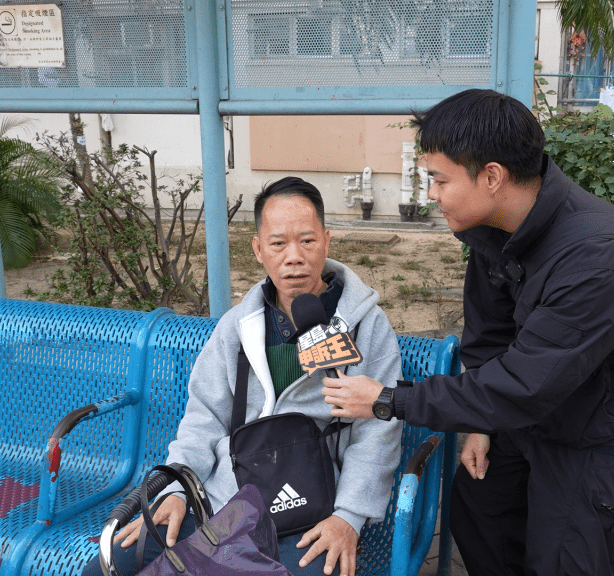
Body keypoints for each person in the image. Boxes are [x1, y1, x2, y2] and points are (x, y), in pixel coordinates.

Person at [321, 89, 614, 576]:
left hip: (607, 424)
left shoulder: (601, 261)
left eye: (438, 179)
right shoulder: (493, 226)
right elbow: (490, 332)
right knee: (482, 504)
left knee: (569, 554)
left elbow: (524, 385)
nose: (431, 194)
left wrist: (388, 399)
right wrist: (481, 423)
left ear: (492, 176)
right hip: (542, 401)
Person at [85, 177, 403, 576]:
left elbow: (379, 431)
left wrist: (349, 517)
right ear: (257, 249)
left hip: (315, 507)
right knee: (110, 563)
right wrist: (179, 489)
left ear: (326, 240)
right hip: (228, 500)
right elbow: (204, 418)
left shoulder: (366, 326)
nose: (294, 257)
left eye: (307, 241)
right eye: (278, 244)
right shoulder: (237, 326)